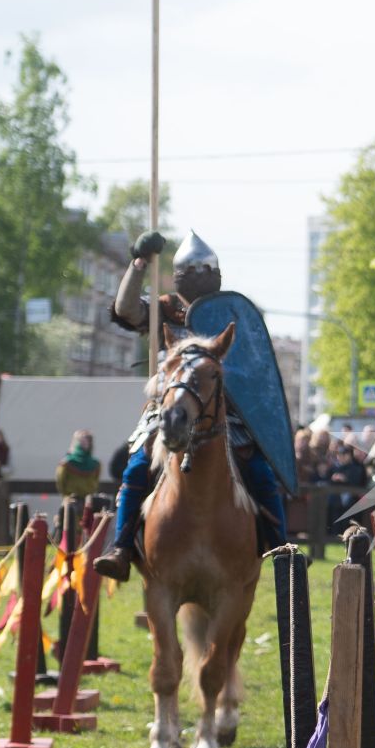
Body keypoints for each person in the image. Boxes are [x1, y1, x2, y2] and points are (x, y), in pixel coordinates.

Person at [92, 230, 289, 581]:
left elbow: (253, 368)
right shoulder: (166, 309)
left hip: (225, 413)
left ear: (216, 276)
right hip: (169, 411)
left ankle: (279, 548)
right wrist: (138, 264)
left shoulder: (235, 312)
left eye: (204, 272)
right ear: (180, 276)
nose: (198, 278)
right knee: (137, 467)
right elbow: (125, 309)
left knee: (260, 472)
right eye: (191, 273)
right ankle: (121, 547)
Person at [56, 430, 102, 499]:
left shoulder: (96, 465)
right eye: (82, 442)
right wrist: (66, 496)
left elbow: (95, 481)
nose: (85, 445)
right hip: (71, 499)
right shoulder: (65, 463)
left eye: (87, 442)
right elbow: (60, 483)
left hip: (88, 500)